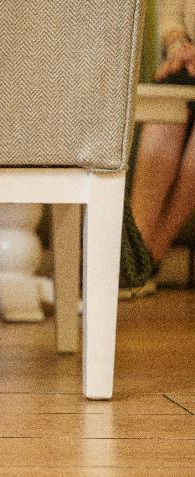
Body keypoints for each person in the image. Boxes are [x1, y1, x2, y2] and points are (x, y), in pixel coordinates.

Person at [131, 0, 195, 276]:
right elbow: (170, 15)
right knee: (166, 111)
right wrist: (179, 47)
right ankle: (135, 249)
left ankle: (148, 258)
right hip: (187, 63)